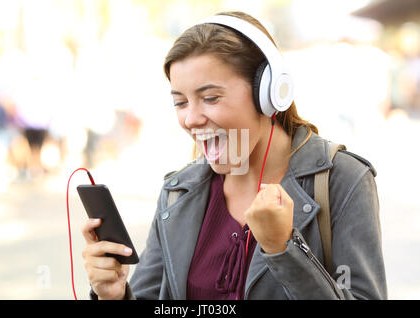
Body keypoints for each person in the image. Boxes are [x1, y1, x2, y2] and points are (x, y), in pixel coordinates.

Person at [81, 11, 387, 300]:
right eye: (180, 103)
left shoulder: (343, 180)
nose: (191, 119)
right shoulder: (177, 193)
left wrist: (283, 249)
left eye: (210, 98)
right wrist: (116, 295)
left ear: (267, 94)